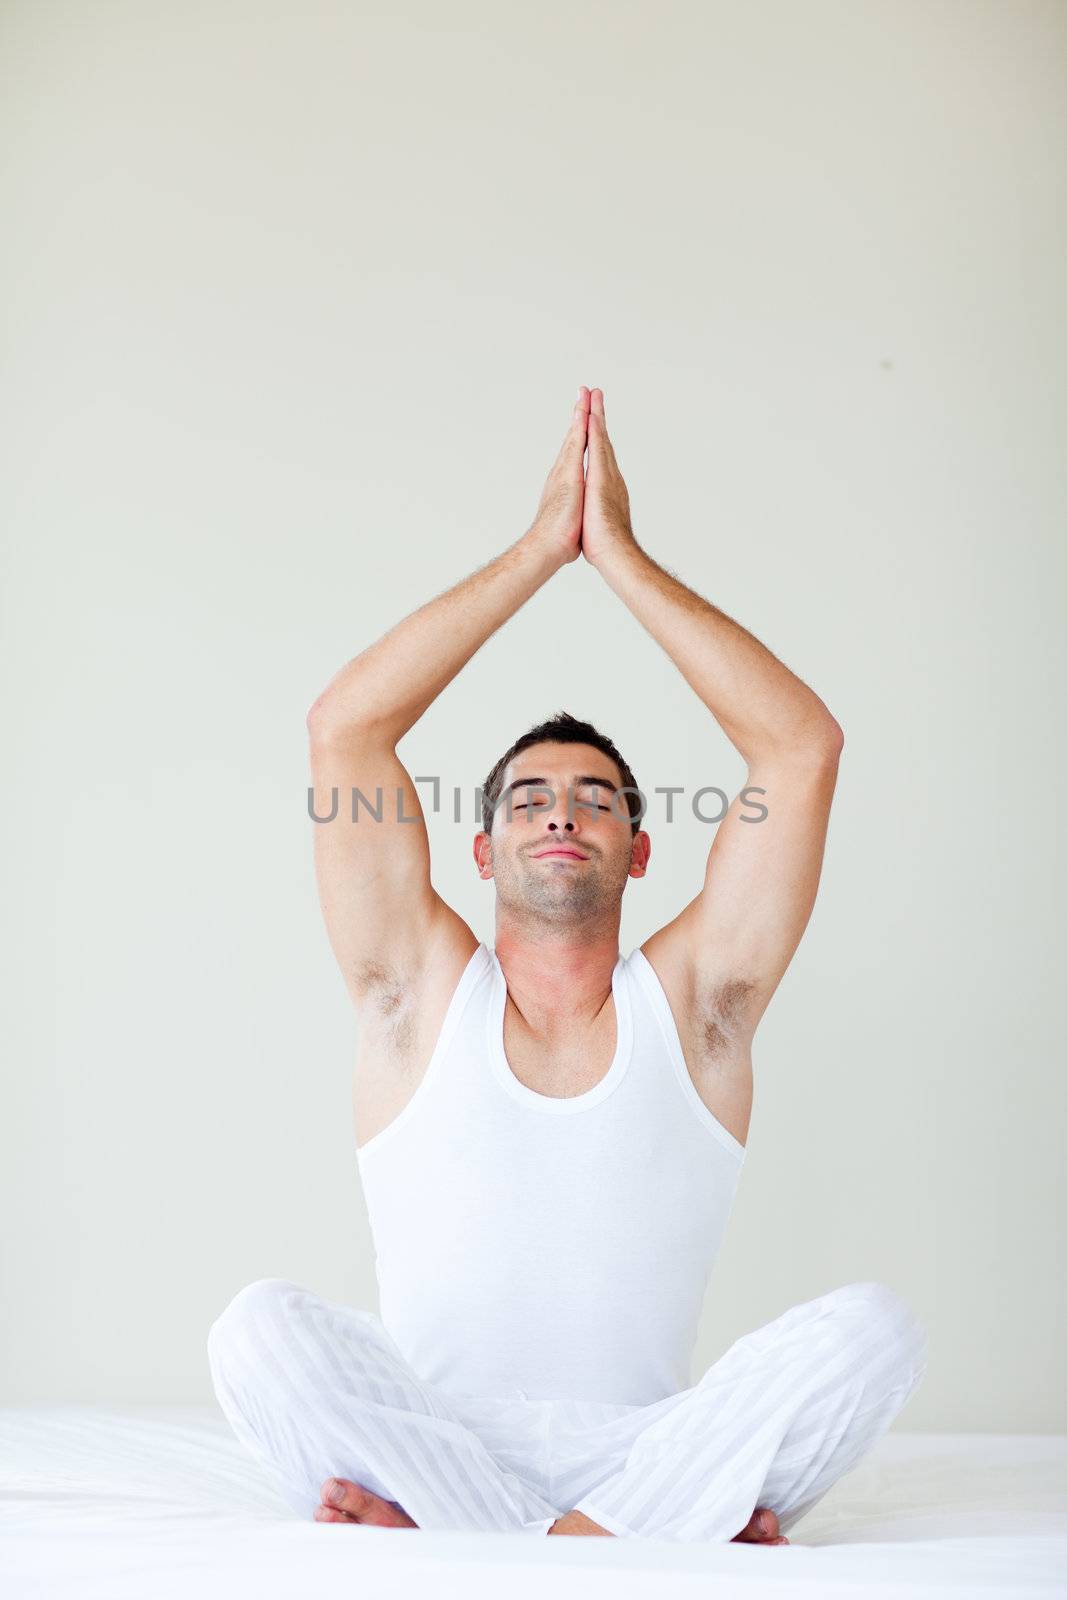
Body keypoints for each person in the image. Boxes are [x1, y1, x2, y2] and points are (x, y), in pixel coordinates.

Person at [207, 387, 927, 1543]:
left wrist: (622, 559)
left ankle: (508, 1537)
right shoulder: (415, 995)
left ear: (640, 851)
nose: (561, 815)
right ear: (480, 847)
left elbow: (799, 749)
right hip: (430, 1433)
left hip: (638, 1442)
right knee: (255, 1328)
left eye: (594, 800)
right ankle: (617, 1538)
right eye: (530, 799)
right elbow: (347, 728)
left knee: (878, 1328)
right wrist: (543, 548)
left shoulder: (695, 1009)